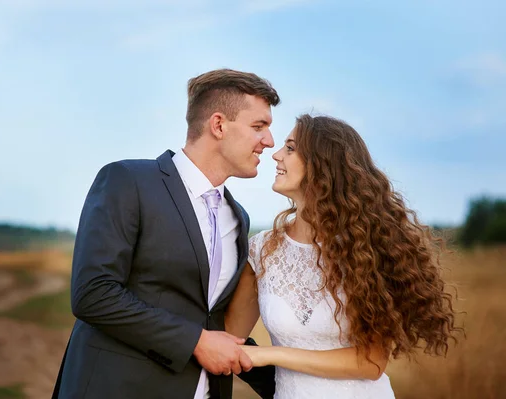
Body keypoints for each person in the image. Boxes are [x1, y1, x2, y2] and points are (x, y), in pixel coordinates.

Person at [52, 68, 280, 399]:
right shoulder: (128, 180)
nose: (269, 141)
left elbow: (214, 320)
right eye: (259, 127)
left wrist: (294, 388)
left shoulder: (238, 217)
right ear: (218, 125)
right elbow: (93, 293)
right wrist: (196, 342)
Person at [225, 114, 462, 398]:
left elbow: (371, 362)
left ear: (322, 165)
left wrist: (272, 355)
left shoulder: (363, 250)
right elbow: (230, 338)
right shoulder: (262, 250)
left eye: (290, 148)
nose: (276, 155)